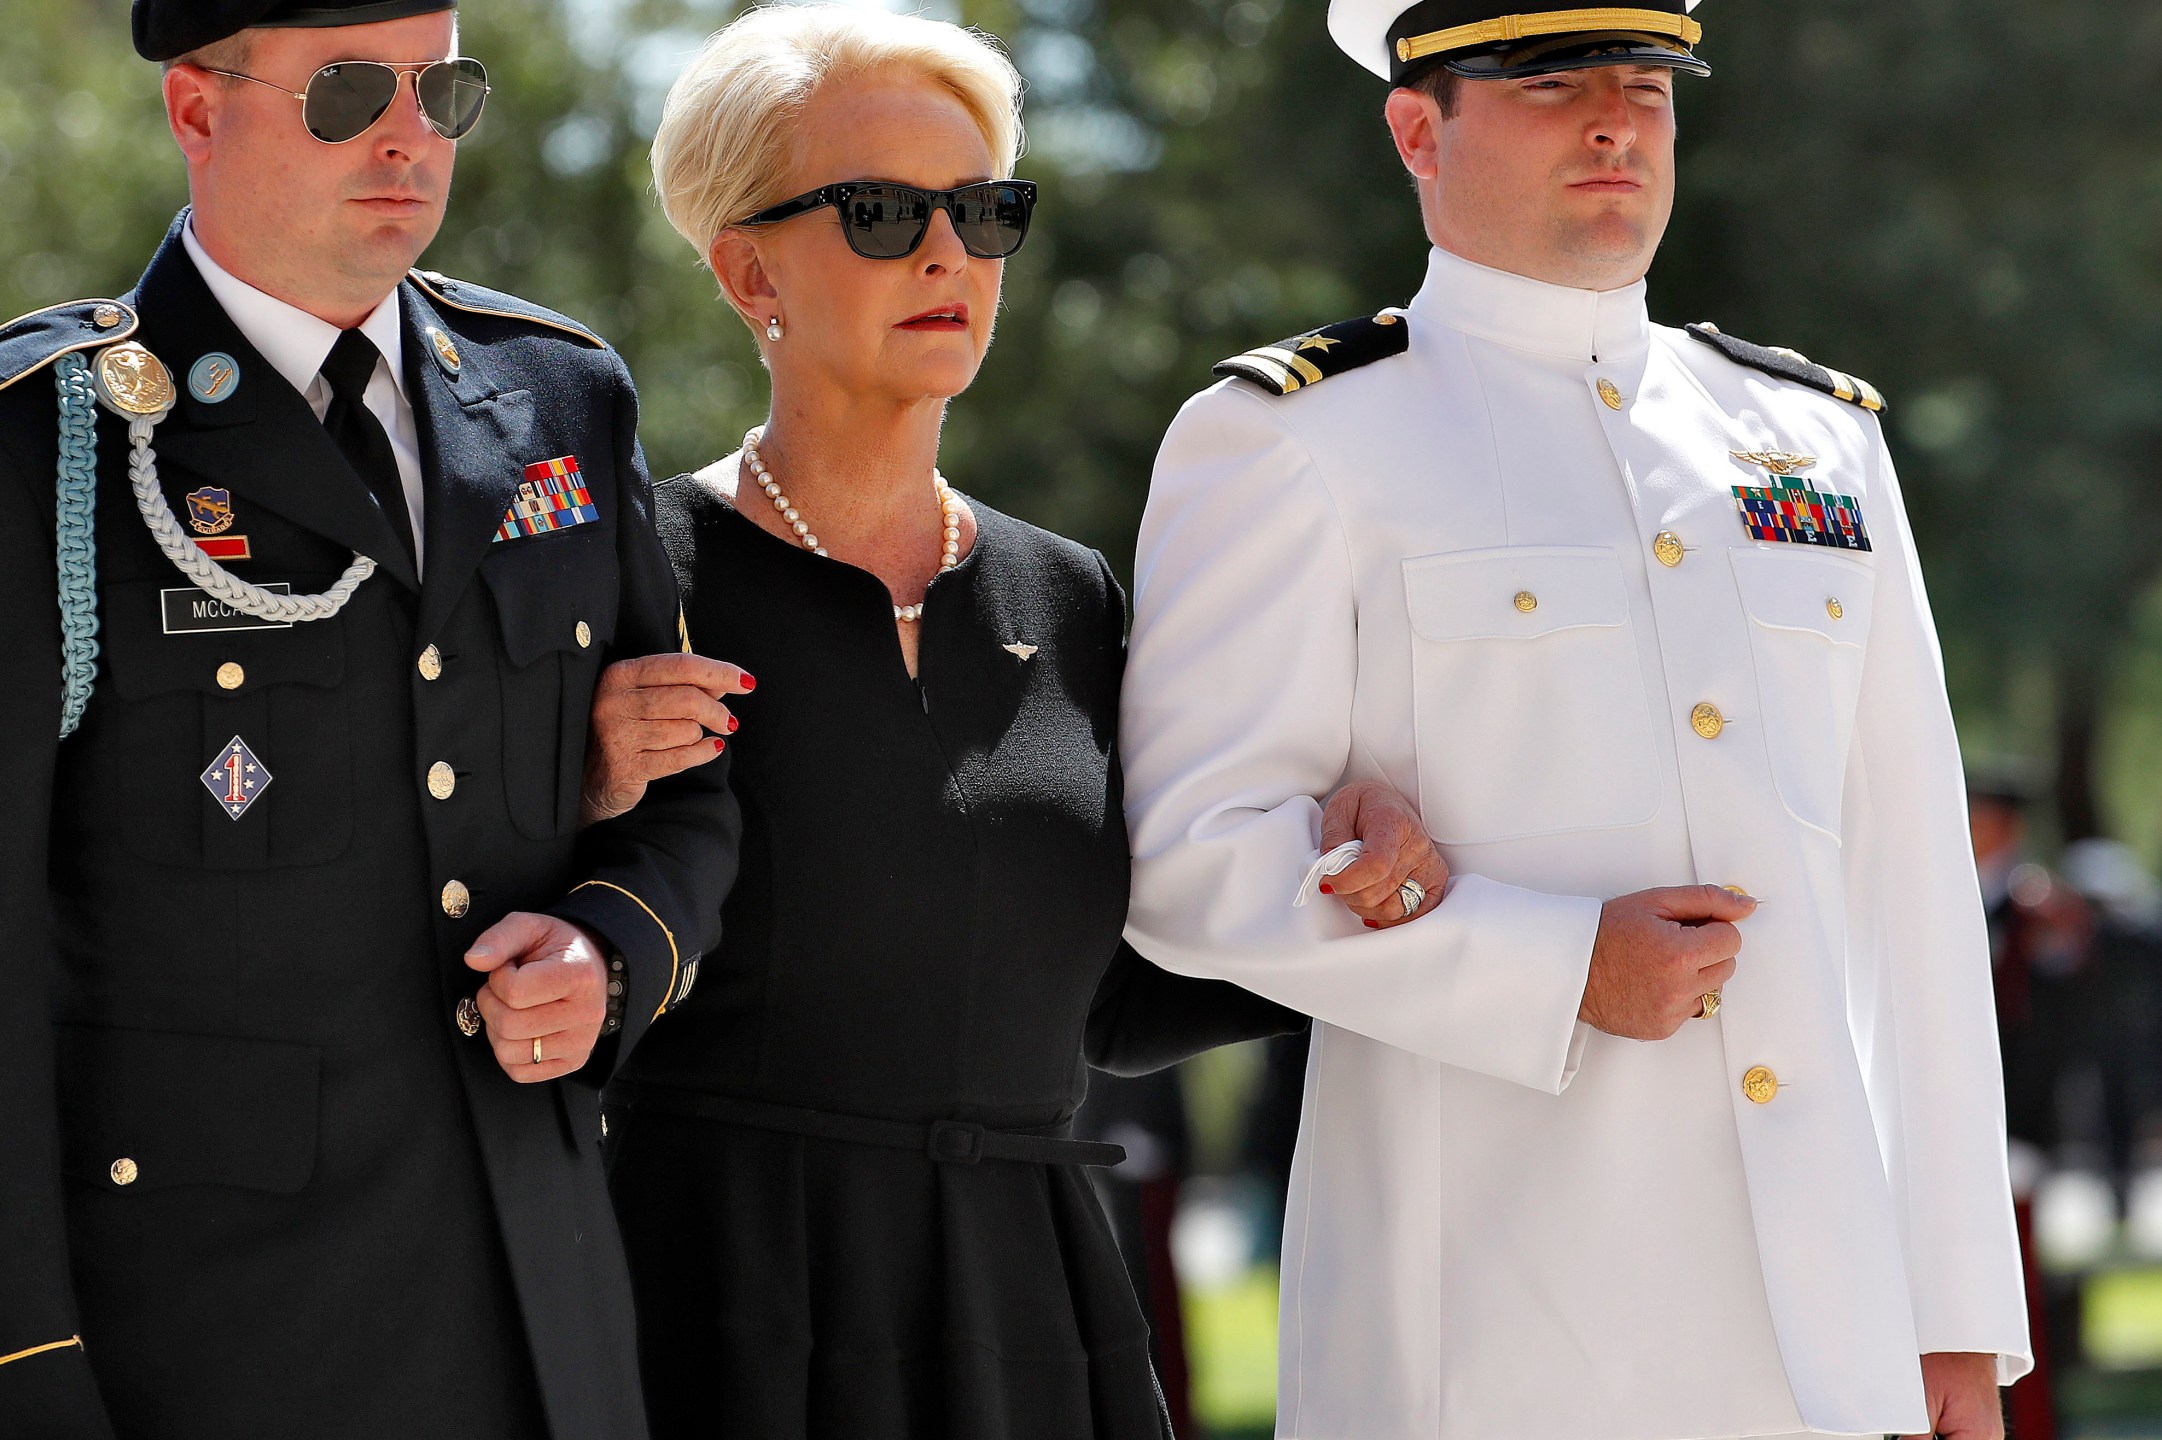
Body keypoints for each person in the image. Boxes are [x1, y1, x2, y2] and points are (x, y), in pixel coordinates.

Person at [1119, 4, 2031, 1439]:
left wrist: (1958, 1318)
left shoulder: (1814, 440)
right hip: (1490, 1330)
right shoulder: (1292, 440)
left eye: (1647, 84)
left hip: (1819, 1343)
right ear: (1418, 130)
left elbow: (1913, 899)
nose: (1615, 120)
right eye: (1550, 84)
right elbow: (1185, 864)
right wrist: (1558, 969)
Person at [0, 1, 738, 1434]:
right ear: (196, 110)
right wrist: (17, 1388)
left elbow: (688, 792)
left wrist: (612, 951)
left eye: (440, 89)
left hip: (545, 1327)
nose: (405, 135)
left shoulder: (561, 399)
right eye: (346, 93)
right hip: (209, 1354)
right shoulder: (26, 445)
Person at [573, 9, 1441, 1437]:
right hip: (717, 1305)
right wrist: (585, 787)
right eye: (881, 212)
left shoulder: (1074, 592)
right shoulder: (626, 574)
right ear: (746, 270)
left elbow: (1107, 993)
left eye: (982, 212)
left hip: (1028, 1303)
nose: (945, 255)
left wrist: (1348, 896)